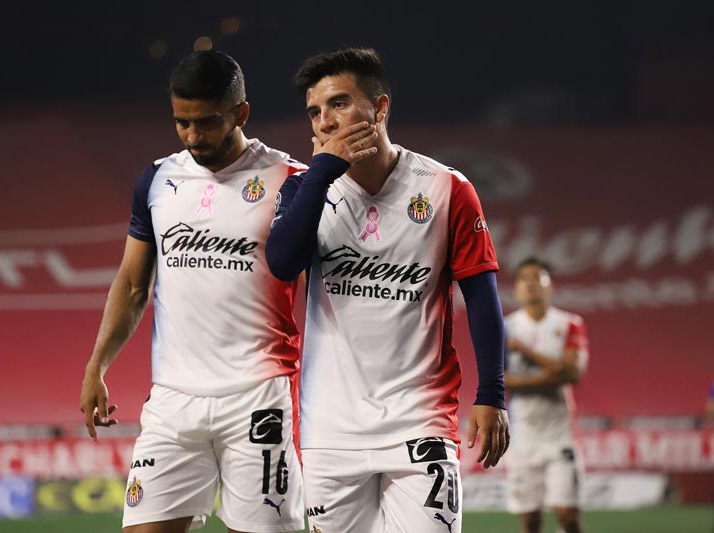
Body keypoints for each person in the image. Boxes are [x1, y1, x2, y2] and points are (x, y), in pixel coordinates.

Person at [265, 47, 509, 533]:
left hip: (421, 424)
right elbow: (281, 264)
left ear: (380, 108)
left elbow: (481, 297)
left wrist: (493, 394)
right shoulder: (303, 189)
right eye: (315, 112)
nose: (324, 122)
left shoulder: (446, 189)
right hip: (330, 430)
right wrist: (321, 177)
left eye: (338, 104)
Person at [79, 50, 306, 533]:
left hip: (259, 398)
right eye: (181, 122)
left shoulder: (292, 182)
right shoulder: (158, 179)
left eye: (206, 122)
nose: (191, 136)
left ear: (241, 113)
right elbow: (134, 283)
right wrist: (97, 364)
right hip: (172, 401)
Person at [504, 257, 590, 533]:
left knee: (568, 515)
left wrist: (527, 354)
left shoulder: (569, 324)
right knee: (529, 519)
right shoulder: (505, 328)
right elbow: (499, 380)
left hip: (560, 434)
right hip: (523, 435)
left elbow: (573, 374)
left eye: (537, 278)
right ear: (516, 288)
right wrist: (551, 377)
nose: (530, 284)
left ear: (550, 286)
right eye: (523, 279)